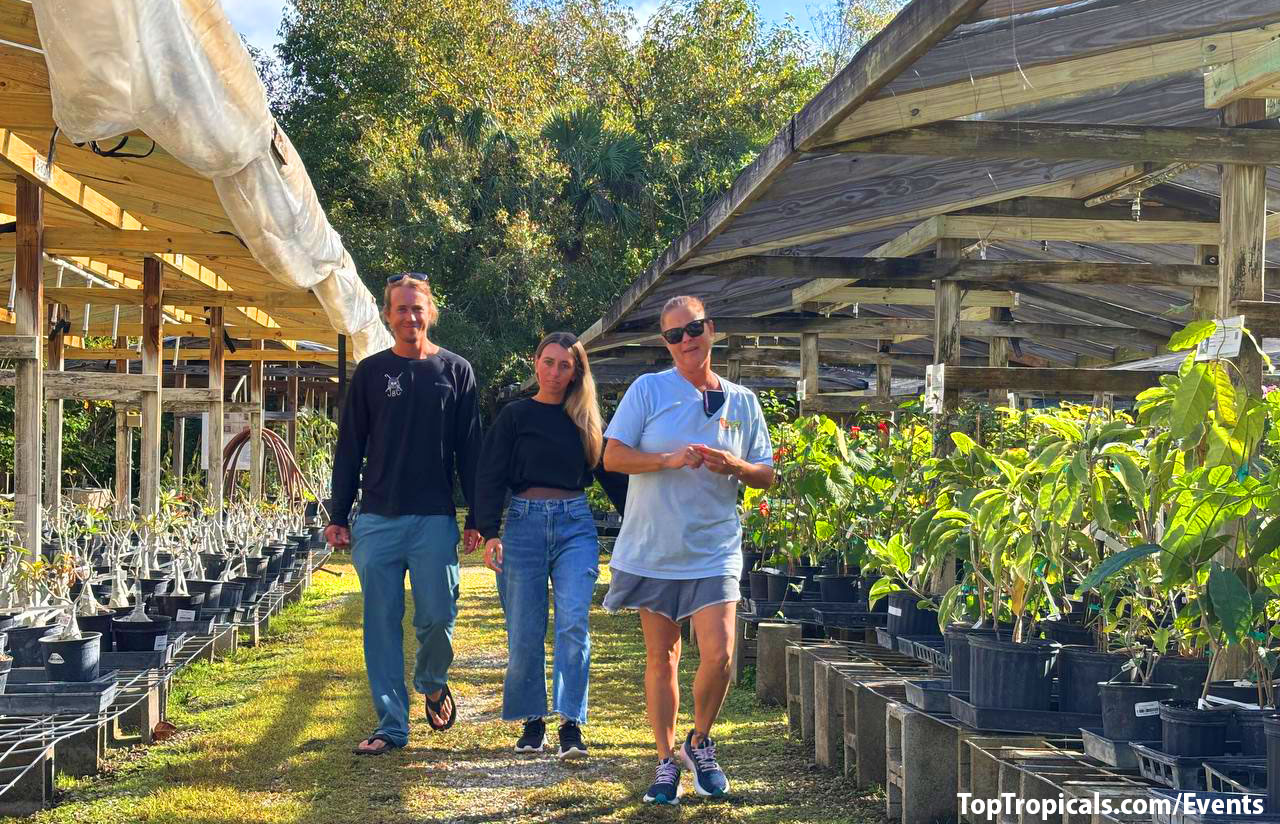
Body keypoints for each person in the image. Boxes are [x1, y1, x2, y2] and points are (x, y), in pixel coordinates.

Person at [601, 295, 775, 804]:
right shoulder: (648, 389)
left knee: (720, 655)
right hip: (654, 547)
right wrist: (668, 458)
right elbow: (612, 456)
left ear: (711, 329)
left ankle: (700, 741)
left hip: (714, 548)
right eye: (674, 335)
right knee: (663, 656)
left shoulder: (743, 401)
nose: (685, 341)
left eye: (692, 329)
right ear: (666, 342)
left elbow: (765, 473)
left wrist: (735, 467)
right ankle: (664, 758)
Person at [325, 272, 484, 755]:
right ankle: (391, 725)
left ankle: (432, 681)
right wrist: (339, 514)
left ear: (430, 312)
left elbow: (471, 448)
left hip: (434, 518)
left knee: (438, 617)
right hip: (377, 519)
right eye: (401, 309)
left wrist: (479, 515)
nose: (410, 317)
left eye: (418, 308)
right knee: (381, 623)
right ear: (388, 315)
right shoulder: (372, 374)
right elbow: (349, 447)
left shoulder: (456, 371)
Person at [474, 332, 627, 760]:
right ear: (535, 362)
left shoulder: (586, 419)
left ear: (577, 371)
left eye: (565, 365)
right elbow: (490, 473)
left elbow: (612, 476)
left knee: (573, 624)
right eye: (549, 362)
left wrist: (641, 519)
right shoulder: (514, 416)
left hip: (575, 525)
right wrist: (489, 531)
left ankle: (571, 724)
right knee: (524, 628)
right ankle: (532, 721)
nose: (556, 372)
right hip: (522, 524)